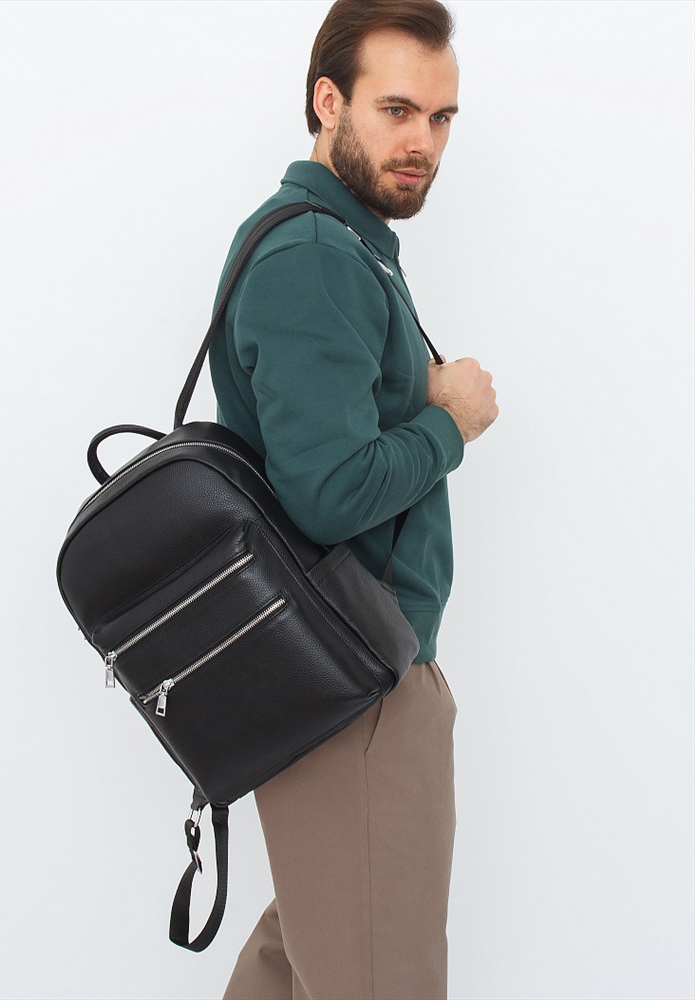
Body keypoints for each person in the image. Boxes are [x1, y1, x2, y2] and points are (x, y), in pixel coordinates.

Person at [210, 1, 498, 996]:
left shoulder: (341, 241)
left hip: (345, 672)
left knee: (300, 966)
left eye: (442, 117)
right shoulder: (315, 256)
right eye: (397, 109)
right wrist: (450, 421)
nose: (424, 143)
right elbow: (329, 495)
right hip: (355, 683)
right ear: (327, 101)